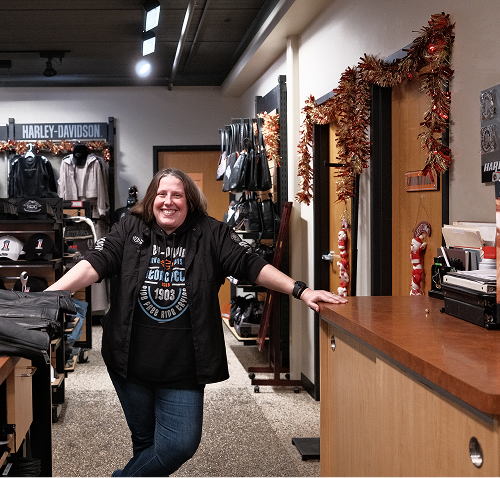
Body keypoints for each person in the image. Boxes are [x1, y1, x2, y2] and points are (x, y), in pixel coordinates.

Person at [46, 168, 347, 476]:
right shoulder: (130, 227)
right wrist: (49, 295)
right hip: (129, 361)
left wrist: (301, 290)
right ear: (151, 199)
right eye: (162, 194)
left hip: (184, 365)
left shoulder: (211, 233)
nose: (168, 202)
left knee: (179, 443)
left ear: (189, 201)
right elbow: (95, 263)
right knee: (147, 444)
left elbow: (250, 265)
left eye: (177, 195)